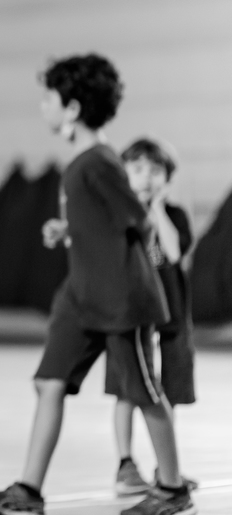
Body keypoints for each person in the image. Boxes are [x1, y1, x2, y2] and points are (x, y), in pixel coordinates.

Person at [0, 54, 195, 515]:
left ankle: (172, 490)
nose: (43, 108)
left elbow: (138, 221)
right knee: (48, 382)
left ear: (72, 109)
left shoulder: (100, 162)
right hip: (81, 297)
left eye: (48, 99)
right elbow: (102, 221)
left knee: (144, 394)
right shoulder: (82, 165)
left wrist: (140, 268)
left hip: (120, 300)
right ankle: (26, 492)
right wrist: (68, 230)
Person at [110, 138, 198, 496]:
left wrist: (157, 210)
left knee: (169, 394)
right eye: (137, 169)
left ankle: (167, 466)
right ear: (124, 175)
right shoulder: (120, 218)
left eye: (156, 170)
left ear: (168, 178)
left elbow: (174, 253)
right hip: (131, 320)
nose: (147, 177)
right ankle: (125, 465)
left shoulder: (174, 216)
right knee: (126, 392)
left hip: (172, 321)